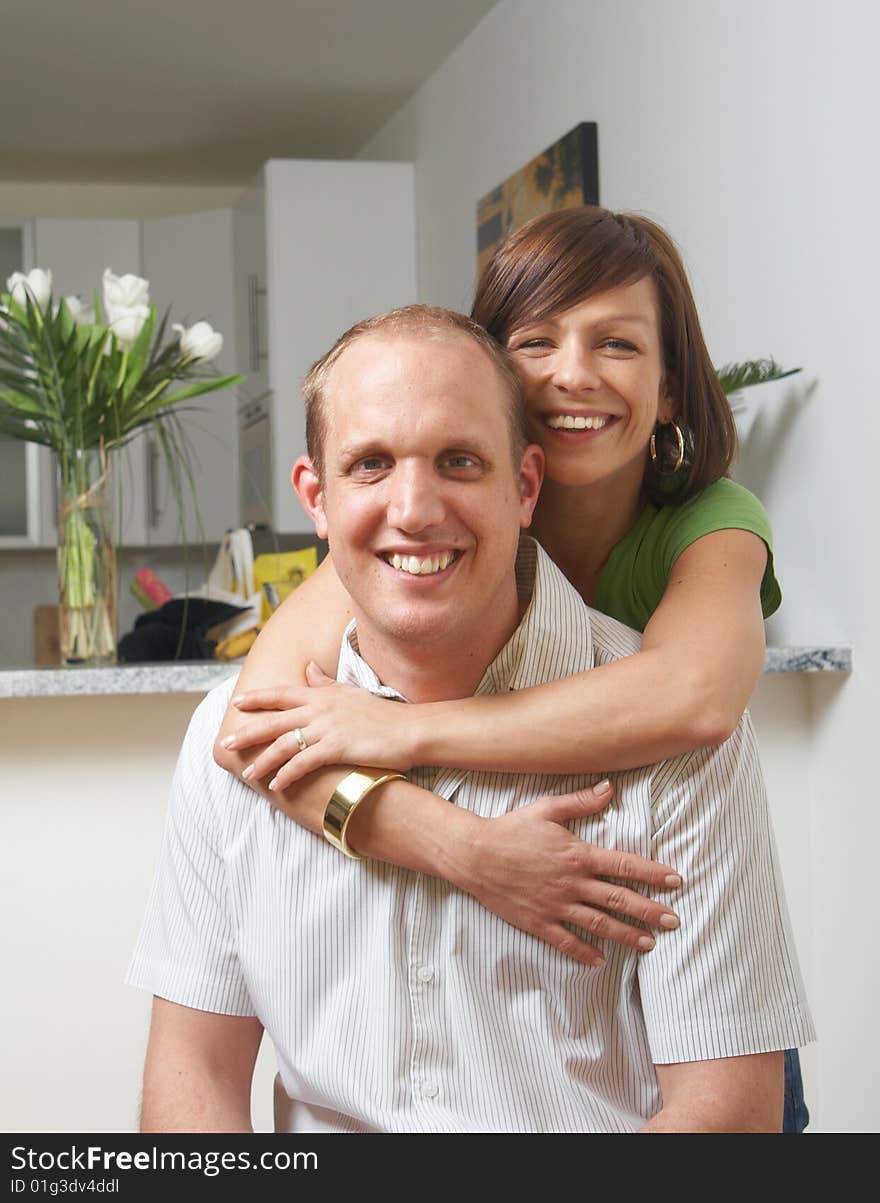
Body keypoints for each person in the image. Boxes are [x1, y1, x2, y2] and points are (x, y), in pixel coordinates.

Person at [129, 306, 813, 1132]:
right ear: (315, 494)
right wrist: (465, 844)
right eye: (372, 464)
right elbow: (192, 1074)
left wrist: (414, 737)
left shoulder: (677, 744)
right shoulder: (235, 735)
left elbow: (727, 1119)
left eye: (459, 461)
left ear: (526, 485)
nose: (415, 509)